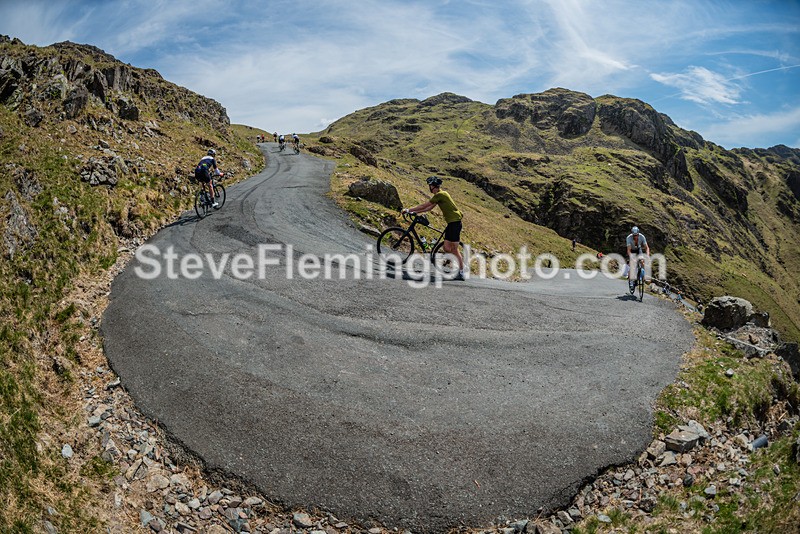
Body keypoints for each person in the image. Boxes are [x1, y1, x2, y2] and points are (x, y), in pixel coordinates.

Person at [402, 176, 465, 280]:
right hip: (452, 223)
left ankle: (461, 271)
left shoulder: (440, 194)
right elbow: (428, 208)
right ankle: (455, 261)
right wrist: (414, 212)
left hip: (455, 223)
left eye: (430, 185)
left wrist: (408, 210)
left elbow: (424, 206)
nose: (429, 187)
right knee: (446, 248)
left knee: (453, 249)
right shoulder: (440, 195)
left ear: (433, 186)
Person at [625, 225, 650, 293]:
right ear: (632, 234)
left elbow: (647, 248)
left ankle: (645, 276)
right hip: (632, 250)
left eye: (636, 235)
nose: (635, 237)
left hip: (638, 249)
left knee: (642, 261)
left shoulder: (642, 237)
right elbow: (629, 250)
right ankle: (631, 282)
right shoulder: (629, 238)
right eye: (634, 235)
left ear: (638, 234)